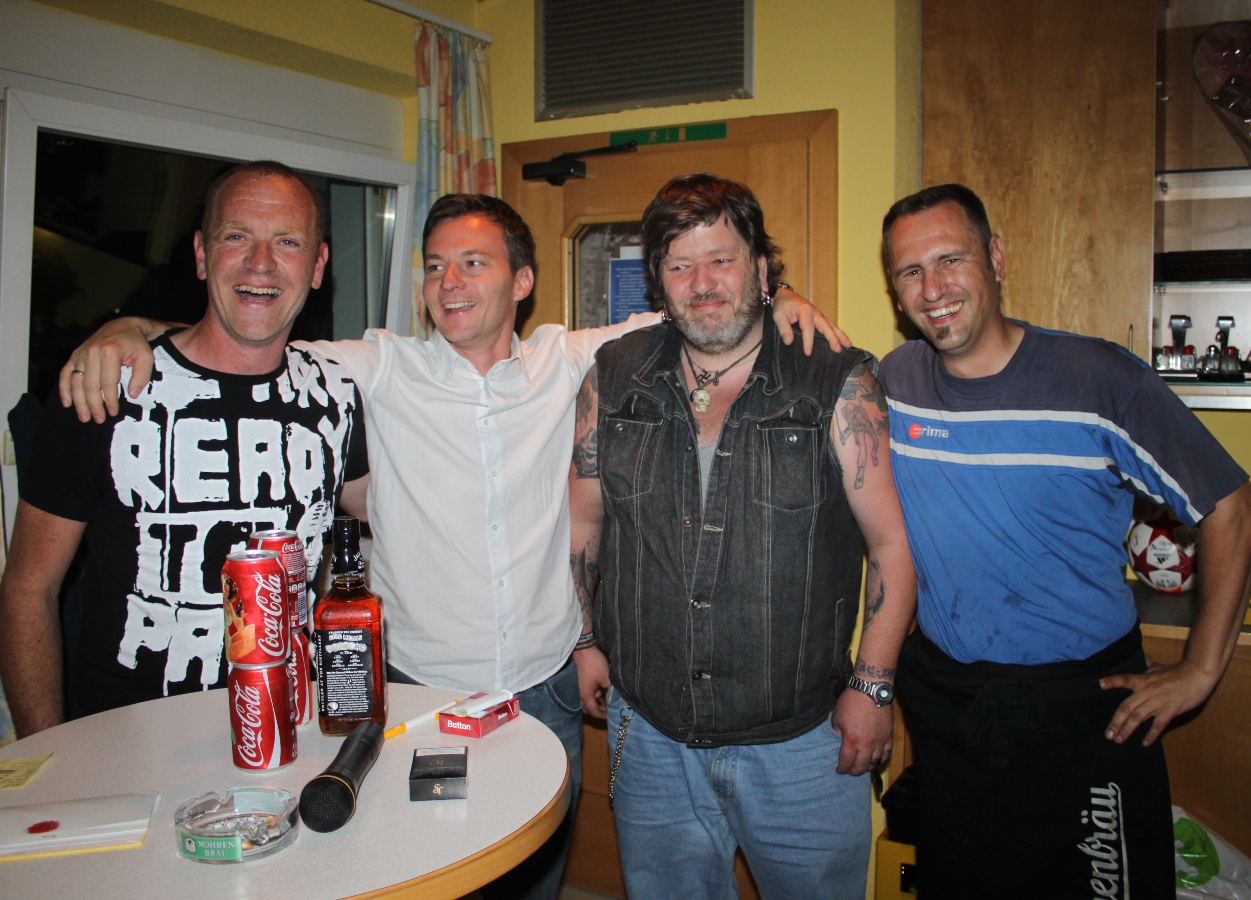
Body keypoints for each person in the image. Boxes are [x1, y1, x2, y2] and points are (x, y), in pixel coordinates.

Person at [56, 191, 845, 900]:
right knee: (430, 875)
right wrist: (133, 328)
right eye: (435, 266)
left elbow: (700, 310)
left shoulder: (571, 361)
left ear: (522, 280)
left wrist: (780, 295)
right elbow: (246, 337)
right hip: (418, 697)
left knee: (535, 871)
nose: (449, 282)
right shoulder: (378, 368)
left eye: (473, 262)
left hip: (544, 688)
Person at [878, 183, 1251, 899]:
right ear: (896, 291)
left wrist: (1200, 670)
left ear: (996, 258)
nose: (933, 289)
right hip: (950, 704)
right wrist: (785, 297)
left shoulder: (1098, 380)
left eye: (951, 259)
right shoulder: (895, 384)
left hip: (1086, 710)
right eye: (910, 271)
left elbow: (1234, 508)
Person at [568, 173, 918, 900]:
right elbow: (584, 522)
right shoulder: (615, 374)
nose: (702, 284)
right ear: (658, 281)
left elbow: (891, 545)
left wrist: (873, 686)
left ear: (761, 270)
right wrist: (584, 640)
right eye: (680, 266)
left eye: (721, 260)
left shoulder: (836, 380)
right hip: (651, 736)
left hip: (802, 745)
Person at [0, 161, 369, 737]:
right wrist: (42, 757)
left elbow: (394, 510)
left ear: (318, 266)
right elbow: (28, 588)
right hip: (128, 742)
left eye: (288, 242)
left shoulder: (335, 394)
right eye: (236, 236)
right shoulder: (106, 386)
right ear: (201, 254)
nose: (261, 263)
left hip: (287, 730)